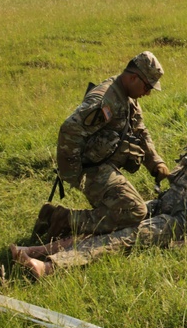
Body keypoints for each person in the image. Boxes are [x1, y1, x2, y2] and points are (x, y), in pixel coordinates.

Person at [13, 119, 187, 279]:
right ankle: (37, 250)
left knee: (121, 238)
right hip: (162, 204)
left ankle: (49, 267)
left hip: (179, 221)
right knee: (113, 221)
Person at [33, 51, 171, 242]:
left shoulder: (129, 98)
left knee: (124, 207)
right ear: (133, 78)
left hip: (104, 164)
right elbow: (70, 129)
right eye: (147, 86)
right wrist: (74, 174)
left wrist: (156, 163)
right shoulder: (106, 100)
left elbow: (140, 131)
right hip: (91, 168)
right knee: (135, 211)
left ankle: (50, 216)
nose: (147, 93)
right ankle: (65, 219)